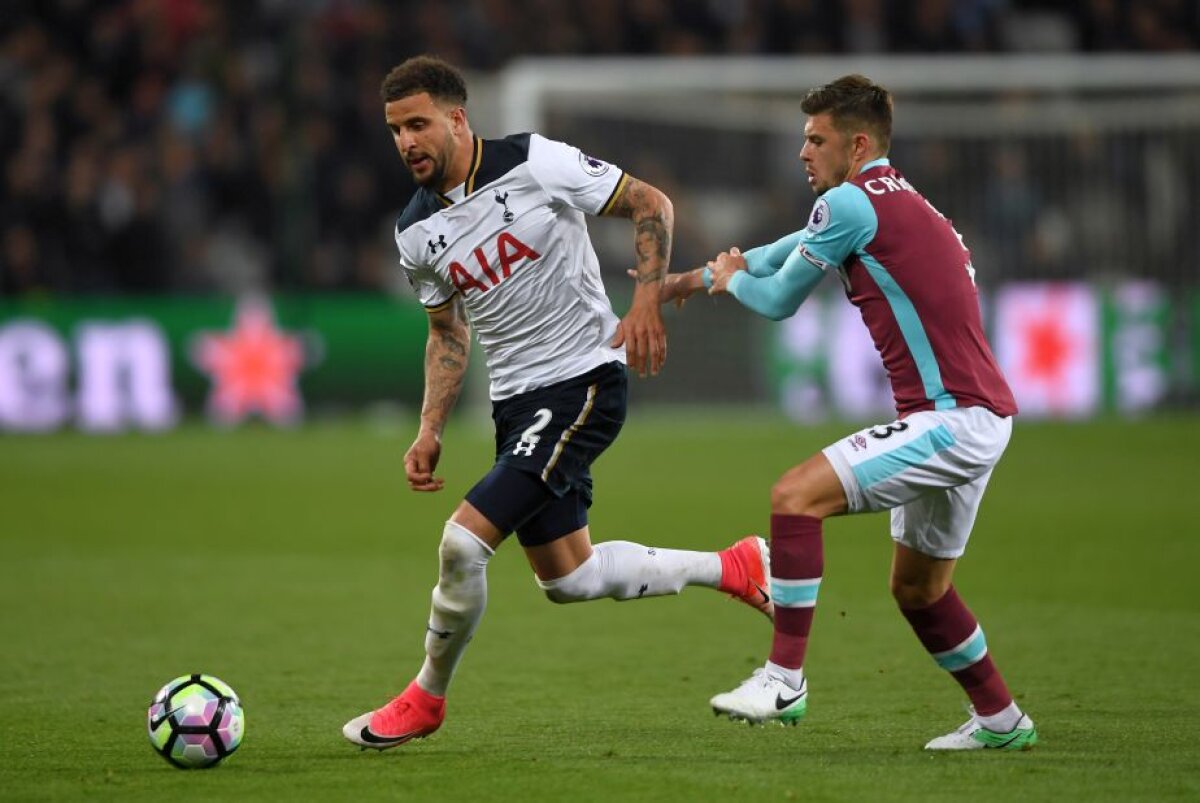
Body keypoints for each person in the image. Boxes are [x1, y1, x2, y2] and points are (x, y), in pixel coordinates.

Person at [342, 55, 773, 750]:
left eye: (418, 124)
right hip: (516, 406)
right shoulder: (415, 230)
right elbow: (447, 333)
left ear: (457, 118)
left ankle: (426, 696)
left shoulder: (534, 162)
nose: (406, 142)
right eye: (395, 130)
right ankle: (734, 566)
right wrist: (428, 427)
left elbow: (650, 202)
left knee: (461, 544)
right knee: (569, 577)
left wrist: (642, 302)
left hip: (583, 384)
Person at [659, 74, 1037, 751]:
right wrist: (697, 278)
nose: (803, 152)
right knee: (920, 589)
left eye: (816, 139)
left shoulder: (852, 202)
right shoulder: (899, 201)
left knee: (794, 496)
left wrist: (730, 279)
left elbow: (775, 298)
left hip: (952, 418)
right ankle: (1002, 720)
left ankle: (784, 680)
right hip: (979, 415)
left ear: (857, 144)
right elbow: (780, 251)